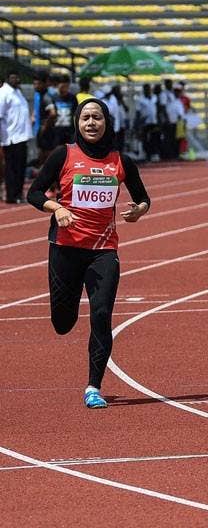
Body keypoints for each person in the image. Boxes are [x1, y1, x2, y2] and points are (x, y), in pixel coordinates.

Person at [26, 98, 150, 408]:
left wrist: (138, 211)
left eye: (97, 118)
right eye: (85, 118)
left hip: (103, 250)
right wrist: (56, 208)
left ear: (107, 122)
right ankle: (66, 308)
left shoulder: (121, 161)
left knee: (101, 314)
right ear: (78, 124)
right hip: (65, 249)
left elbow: (143, 198)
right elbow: (34, 192)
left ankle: (93, 386)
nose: (91, 123)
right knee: (63, 323)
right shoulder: (63, 155)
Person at [0, 70, 33, 204]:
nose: (16, 79)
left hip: (22, 136)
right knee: (12, 168)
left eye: (17, 77)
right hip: (11, 137)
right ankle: (12, 195)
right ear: (8, 78)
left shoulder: (18, 92)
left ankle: (18, 193)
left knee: (20, 167)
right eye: (13, 77)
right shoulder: (3, 93)